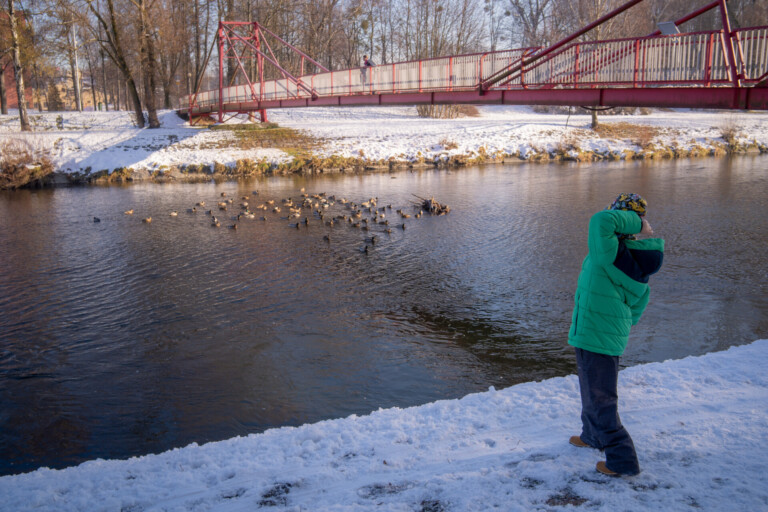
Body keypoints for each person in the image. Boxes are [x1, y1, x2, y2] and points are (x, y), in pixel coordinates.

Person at [567, 193, 664, 477]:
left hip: (596, 334)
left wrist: (638, 223)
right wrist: (617, 325)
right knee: (590, 390)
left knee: (601, 399)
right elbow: (639, 303)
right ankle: (592, 435)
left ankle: (623, 460)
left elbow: (601, 220)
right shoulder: (626, 253)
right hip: (595, 331)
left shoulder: (610, 250)